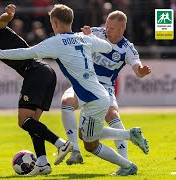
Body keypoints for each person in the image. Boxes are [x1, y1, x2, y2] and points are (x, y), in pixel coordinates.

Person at [0, 4, 149, 176]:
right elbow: (108, 48)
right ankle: (128, 135)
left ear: (56, 24)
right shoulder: (83, 38)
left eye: (52, 24)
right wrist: (90, 39)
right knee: (85, 134)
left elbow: (25, 53)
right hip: (99, 95)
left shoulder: (56, 42)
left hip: (93, 100)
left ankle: (127, 165)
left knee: (90, 144)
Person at [0, 4, 73, 176]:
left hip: (34, 72)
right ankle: (42, 162)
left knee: (23, 121)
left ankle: (60, 144)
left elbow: (2, 22)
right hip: (45, 72)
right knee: (32, 123)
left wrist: (8, 15)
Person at [61, 10, 151, 166]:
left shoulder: (127, 48)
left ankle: (125, 161)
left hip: (104, 87)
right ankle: (75, 151)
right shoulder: (96, 33)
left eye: (112, 28)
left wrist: (141, 72)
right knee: (67, 103)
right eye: (107, 26)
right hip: (86, 82)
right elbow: (73, 41)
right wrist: (84, 36)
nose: (107, 31)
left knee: (111, 115)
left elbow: (138, 69)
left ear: (123, 28)